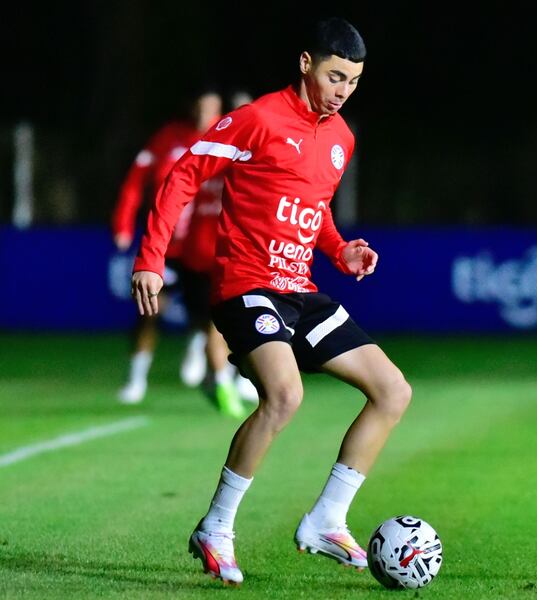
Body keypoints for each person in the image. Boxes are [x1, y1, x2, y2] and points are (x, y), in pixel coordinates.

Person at [131, 17, 412, 586]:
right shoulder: (258, 119)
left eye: (353, 82)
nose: (343, 91)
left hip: (299, 290)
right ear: (306, 63)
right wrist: (150, 260)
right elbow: (184, 175)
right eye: (335, 76)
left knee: (392, 391)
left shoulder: (341, 138)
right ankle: (216, 526)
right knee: (284, 395)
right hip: (244, 286)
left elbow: (315, 209)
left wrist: (340, 250)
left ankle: (327, 519)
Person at [113, 88, 246, 418]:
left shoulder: (231, 140)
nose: (205, 114)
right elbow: (138, 182)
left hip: (210, 249)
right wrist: (123, 224)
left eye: (212, 107)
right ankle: (137, 379)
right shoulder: (171, 138)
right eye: (200, 106)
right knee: (151, 309)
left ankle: (228, 373)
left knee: (221, 318)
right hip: (170, 246)